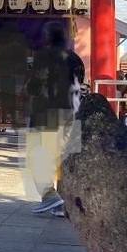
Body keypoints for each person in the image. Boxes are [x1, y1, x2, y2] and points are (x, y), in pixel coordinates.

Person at [25, 22, 85, 214]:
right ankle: (63, 203)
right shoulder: (76, 60)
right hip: (73, 113)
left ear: (48, 37)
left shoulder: (44, 57)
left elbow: (33, 87)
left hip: (48, 112)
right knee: (64, 158)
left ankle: (50, 196)